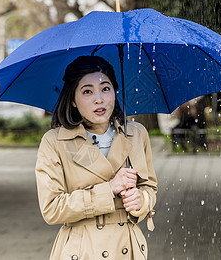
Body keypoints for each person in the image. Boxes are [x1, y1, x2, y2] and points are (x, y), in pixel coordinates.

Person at [35, 55, 158, 259]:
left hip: (127, 247)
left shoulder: (136, 133)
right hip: (83, 249)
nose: (99, 99)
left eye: (105, 88)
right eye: (87, 91)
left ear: (115, 92)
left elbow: (150, 187)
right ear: (73, 100)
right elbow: (52, 208)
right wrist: (109, 189)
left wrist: (142, 201)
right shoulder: (54, 142)